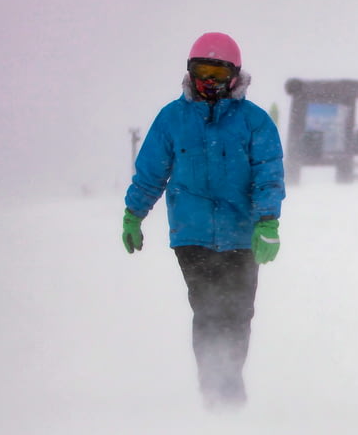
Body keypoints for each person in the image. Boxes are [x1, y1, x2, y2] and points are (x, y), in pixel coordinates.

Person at [122, 32, 285, 410]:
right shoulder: (172, 119)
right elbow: (150, 171)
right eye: (202, 71)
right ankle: (213, 384)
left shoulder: (255, 122)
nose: (209, 81)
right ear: (190, 73)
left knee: (239, 311)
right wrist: (134, 213)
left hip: (241, 236)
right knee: (208, 308)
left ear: (234, 75)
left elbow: (268, 175)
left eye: (217, 71)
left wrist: (267, 221)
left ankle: (230, 377)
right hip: (191, 234)